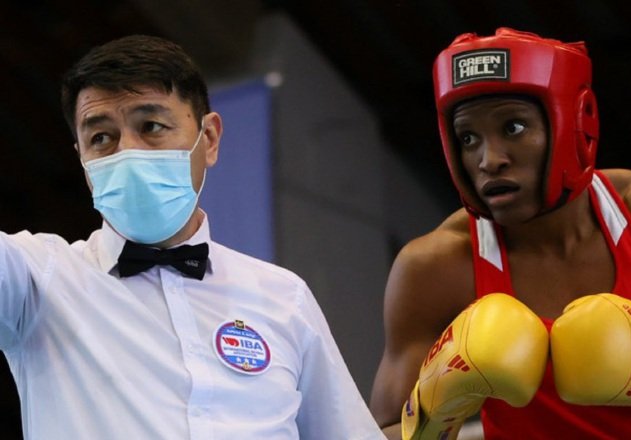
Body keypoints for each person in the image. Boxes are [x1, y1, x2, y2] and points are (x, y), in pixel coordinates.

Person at [369, 27, 631, 439]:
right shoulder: (434, 267)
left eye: (513, 127)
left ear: (573, 123)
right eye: (468, 138)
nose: (488, 159)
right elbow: (374, 433)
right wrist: (429, 411)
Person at [0, 34, 385, 439]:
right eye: (101, 138)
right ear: (81, 158)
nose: (127, 152)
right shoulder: (35, 278)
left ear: (211, 139)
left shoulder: (285, 297)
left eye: (151, 126)